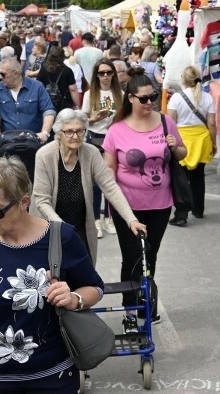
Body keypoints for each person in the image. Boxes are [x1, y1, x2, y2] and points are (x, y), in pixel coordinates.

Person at [0, 156, 104, 394]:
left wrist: (74, 298)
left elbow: (95, 287)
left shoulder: (62, 237)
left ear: (24, 202)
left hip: (53, 375)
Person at [103, 67, 187, 333]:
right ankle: (129, 311)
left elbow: (182, 154)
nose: (150, 102)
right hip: (127, 207)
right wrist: (113, 206)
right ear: (130, 98)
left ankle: (145, 299)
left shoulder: (165, 122)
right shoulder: (116, 130)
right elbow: (108, 172)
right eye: (144, 98)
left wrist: (175, 147)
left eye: (153, 96)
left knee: (150, 256)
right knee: (132, 258)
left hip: (161, 204)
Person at [32, 108, 146, 265]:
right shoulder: (44, 155)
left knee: (83, 275)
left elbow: (110, 187)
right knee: (53, 277)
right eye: (69, 132)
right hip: (49, 227)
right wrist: (63, 229)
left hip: (80, 227)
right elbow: (42, 201)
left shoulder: (91, 153)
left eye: (80, 131)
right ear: (59, 132)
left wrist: (131, 220)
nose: (75, 136)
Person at [167, 65, 216, 227]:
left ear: (183, 79)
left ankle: (182, 214)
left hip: (182, 140)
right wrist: (214, 142)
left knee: (182, 179)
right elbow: (212, 124)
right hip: (202, 139)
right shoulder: (207, 97)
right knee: (198, 176)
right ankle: (198, 209)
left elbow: (171, 123)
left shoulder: (176, 98)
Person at [83, 59, 124, 237]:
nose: (105, 76)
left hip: (114, 140)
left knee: (111, 180)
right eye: (101, 73)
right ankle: (96, 220)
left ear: (114, 74)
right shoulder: (89, 94)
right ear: (96, 75)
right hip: (95, 140)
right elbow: (83, 121)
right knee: (94, 183)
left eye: (109, 72)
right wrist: (95, 118)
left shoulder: (120, 93)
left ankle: (109, 218)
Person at [0, 58, 56, 143]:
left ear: (15, 73)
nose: (0, 77)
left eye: (3, 74)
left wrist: (45, 133)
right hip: (7, 142)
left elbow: (48, 111)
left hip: (34, 141)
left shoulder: (37, 86)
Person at [37, 46, 80, 112]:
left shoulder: (43, 70)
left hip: (46, 104)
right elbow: (73, 89)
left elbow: (38, 87)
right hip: (64, 106)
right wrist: (78, 106)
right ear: (62, 57)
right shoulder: (67, 71)